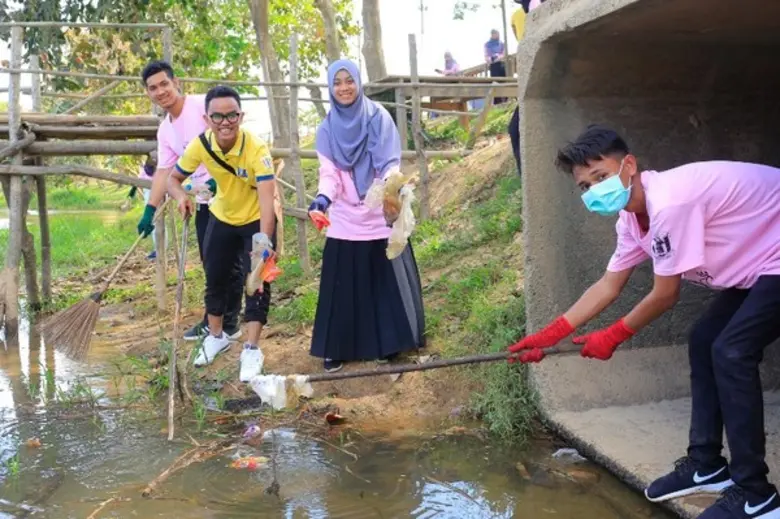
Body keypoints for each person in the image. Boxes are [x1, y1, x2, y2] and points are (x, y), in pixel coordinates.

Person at [508, 125, 780, 519]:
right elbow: (608, 285)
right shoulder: (631, 219)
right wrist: (551, 335)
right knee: (704, 340)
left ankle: (757, 495)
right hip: (761, 261)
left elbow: (666, 294)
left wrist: (614, 335)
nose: (594, 189)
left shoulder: (670, 203)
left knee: (731, 351)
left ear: (629, 165)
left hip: (774, 257)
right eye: (585, 186)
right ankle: (706, 464)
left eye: (601, 176)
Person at [308, 59, 425, 373]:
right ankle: (338, 347)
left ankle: (389, 344)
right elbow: (329, 175)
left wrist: (389, 190)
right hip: (345, 215)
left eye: (349, 80)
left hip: (378, 212)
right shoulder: (326, 130)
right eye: (337, 83)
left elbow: (388, 163)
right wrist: (322, 199)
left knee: (382, 279)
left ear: (359, 82)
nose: (344, 88)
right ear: (330, 88)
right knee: (342, 285)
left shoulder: (378, 118)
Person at [168, 85, 277, 382]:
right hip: (222, 216)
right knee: (214, 277)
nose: (225, 122)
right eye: (217, 116)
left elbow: (267, 200)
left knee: (257, 282)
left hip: (256, 219)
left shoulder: (256, 149)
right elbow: (173, 179)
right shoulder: (201, 144)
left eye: (232, 116)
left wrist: (263, 244)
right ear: (207, 119)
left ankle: (251, 349)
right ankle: (216, 336)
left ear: (241, 116)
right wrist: (181, 196)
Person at [137, 60, 242, 342]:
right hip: (205, 197)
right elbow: (164, 172)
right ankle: (214, 319)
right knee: (210, 260)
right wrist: (150, 209)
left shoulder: (201, 107)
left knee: (228, 260)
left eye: (164, 84)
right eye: (153, 88)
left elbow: (232, 134)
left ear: (176, 83)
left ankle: (230, 323)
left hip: (232, 191)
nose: (161, 91)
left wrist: (221, 177)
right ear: (148, 93)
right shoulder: (165, 130)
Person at [138, 153, 160, 260]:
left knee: (158, 222)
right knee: (153, 222)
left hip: (159, 194)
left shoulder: (161, 168)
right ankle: (157, 249)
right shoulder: (145, 170)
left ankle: (159, 250)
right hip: (150, 197)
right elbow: (139, 182)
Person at [484, 29, 507, 103]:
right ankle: (497, 102)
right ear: (492, 35)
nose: (497, 36)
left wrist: (498, 57)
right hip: (493, 65)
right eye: (496, 34)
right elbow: (486, 56)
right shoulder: (487, 44)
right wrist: (491, 58)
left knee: (504, 83)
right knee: (495, 83)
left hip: (502, 64)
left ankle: (506, 100)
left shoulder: (501, 44)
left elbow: (504, 54)